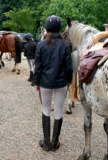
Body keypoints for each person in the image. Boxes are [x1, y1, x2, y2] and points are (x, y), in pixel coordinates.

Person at [34, 15, 73, 151]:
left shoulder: (40, 44)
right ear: (59, 28)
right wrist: (69, 80)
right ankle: (55, 142)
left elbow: (37, 66)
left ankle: (46, 143)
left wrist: (36, 82)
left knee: (45, 109)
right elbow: (68, 66)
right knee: (58, 111)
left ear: (47, 27)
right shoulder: (65, 45)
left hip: (45, 82)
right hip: (61, 83)